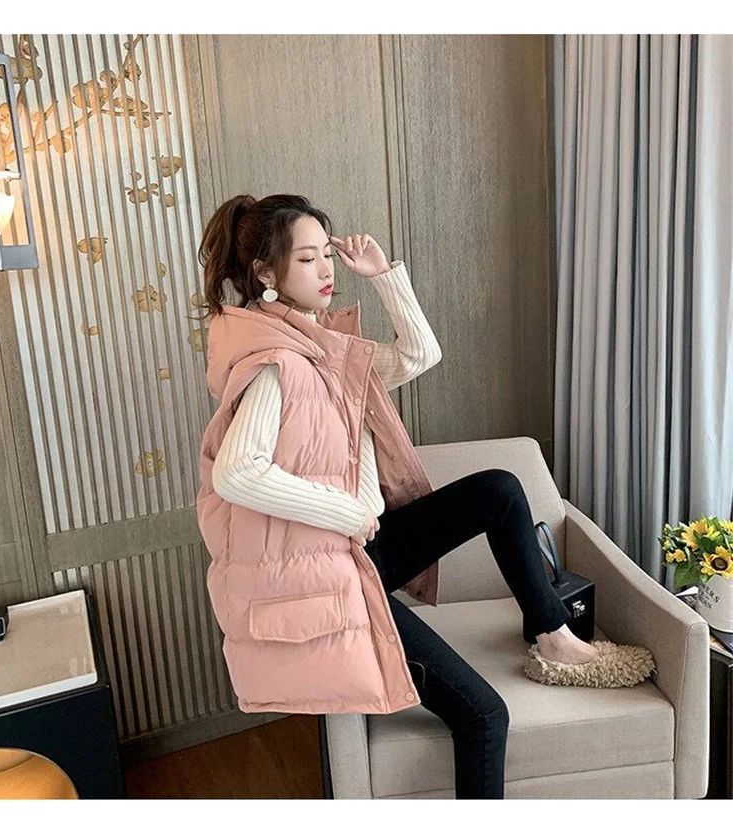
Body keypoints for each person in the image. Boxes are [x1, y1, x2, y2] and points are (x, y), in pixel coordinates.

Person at [195, 193, 653, 799]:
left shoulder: (321, 349)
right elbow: (236, 474)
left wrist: (384, 276)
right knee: (483, 716)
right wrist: (349, 512)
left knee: (499, 490)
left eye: (326, 253)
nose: (326, 270)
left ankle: (553, 635)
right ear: (265, 273)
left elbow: (419, 355)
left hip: (362, 551)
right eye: (307, 259)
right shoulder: (278, 364)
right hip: (338, 573)